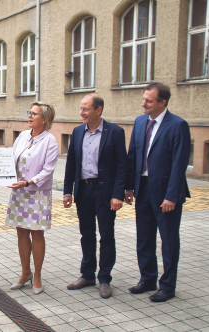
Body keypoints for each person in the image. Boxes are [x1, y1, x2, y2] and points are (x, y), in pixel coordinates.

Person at [125, 82, 191, 302]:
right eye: (144, 99)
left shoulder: (178, 125)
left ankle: (168, 286)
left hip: (165, 194)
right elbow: (132, 155)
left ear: (162, 103)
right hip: (142, 190)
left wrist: (172, 196)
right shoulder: (140, 121)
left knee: (169, 240)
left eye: (149, 101)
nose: (143, 104)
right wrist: (128, 186)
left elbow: (179, 164)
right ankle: (148, 279)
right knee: (144, 238)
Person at [63, 93, 128, 299]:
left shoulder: (115, 132)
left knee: (106, 236)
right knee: (87, 234)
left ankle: (105, 279)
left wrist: (118, 194)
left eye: (85, 109)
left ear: (98, 110)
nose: (81, 113)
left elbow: (121, 166)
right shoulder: (77, 132)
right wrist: (67, 191)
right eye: (81, 109)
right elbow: (71, 164)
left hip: (105, 193)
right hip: (83, 190)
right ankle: (88, 274)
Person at [6, 101, 58, 295]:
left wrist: (28, 182)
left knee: (37, 234)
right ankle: (25, 272)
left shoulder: (50, 141)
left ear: (44, 119)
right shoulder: (22, 136)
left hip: (37, 192)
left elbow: (48, 170)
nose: (29, 116)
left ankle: (37, 275)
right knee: (21, 233)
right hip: (19, 192)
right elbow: (12, 158)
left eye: (34, 114)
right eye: (30, 113)